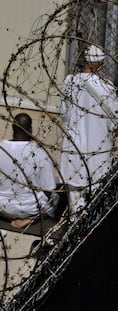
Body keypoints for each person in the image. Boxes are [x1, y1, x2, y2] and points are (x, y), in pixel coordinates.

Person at [60, 44, 118, 221]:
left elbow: (65, 114)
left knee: (75, 187)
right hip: (98, 146)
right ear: (99, 63)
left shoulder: (70, 82)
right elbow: (114, 121)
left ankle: (74, 220)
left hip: (75, 143)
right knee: (97, 185)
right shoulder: (106, 87)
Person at [0, 113, 59, 228]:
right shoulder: (39, 152)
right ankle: (33, 218)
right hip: (30, 208)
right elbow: (48, 187)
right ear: (30, 129)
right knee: (56, 197)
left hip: (1, 206)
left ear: (12, 128)